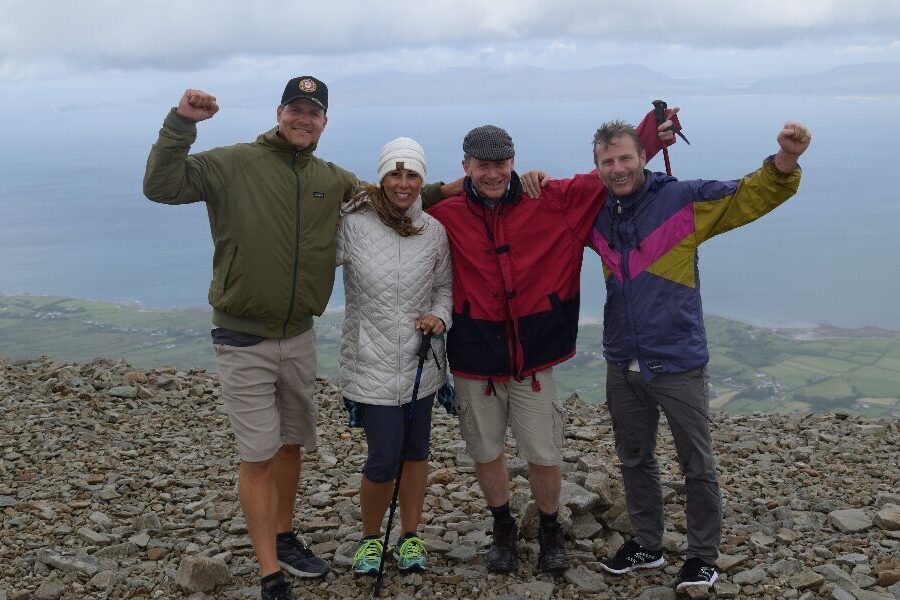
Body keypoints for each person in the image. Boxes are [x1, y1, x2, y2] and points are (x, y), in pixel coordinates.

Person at [142, 77, 457, 600]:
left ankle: (285, 536)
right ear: (279, 111)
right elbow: (161, 186)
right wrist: (182, 123)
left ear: (324, 123)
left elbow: (389, 196)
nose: (303, 119)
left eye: (313, 112)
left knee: (291, 445)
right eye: (295, 109)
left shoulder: (330, 180)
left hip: (298, 333)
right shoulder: (233, 163)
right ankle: (270, 572)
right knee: (258, 455)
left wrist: (443, 191)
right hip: (242, 333)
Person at [426, 110, 679, 574]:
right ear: (465, 167)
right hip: (473, 361)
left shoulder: (552, 199)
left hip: (535, 358)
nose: (492, 173)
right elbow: (394, 203)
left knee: (544, 454)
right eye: (482, 165)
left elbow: (604, 173)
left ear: (513, 162)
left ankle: (549, 529)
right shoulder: (445, 214)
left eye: (500, 163)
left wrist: (653, 134)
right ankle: (502, 526)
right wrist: (434, 189)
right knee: (485, 452)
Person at [591, 118, 811, 591]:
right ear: (598, 168)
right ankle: (648, 543)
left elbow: (747, 194)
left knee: (697, 463)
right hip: (621, 358)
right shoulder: (596, 213)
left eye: (625, 158)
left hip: (677, 358)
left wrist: (786, 159)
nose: (617, 168)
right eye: (607, 161)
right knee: (634, 457)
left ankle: (701, 556)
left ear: (642, 158)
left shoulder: (682, 199)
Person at [335, 137, 452, 576]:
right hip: (370, 360)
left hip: (422, 362)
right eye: (395, 174)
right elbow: (308, 257)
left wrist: (439, 317)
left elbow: (444, 287)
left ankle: (409, 535)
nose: (404, 184)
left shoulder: (433, 230)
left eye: (413, 175)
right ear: (381, 177)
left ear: (422, 180)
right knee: (383, 456)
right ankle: (370, 539)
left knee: (417, 451)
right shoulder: (353, 222)